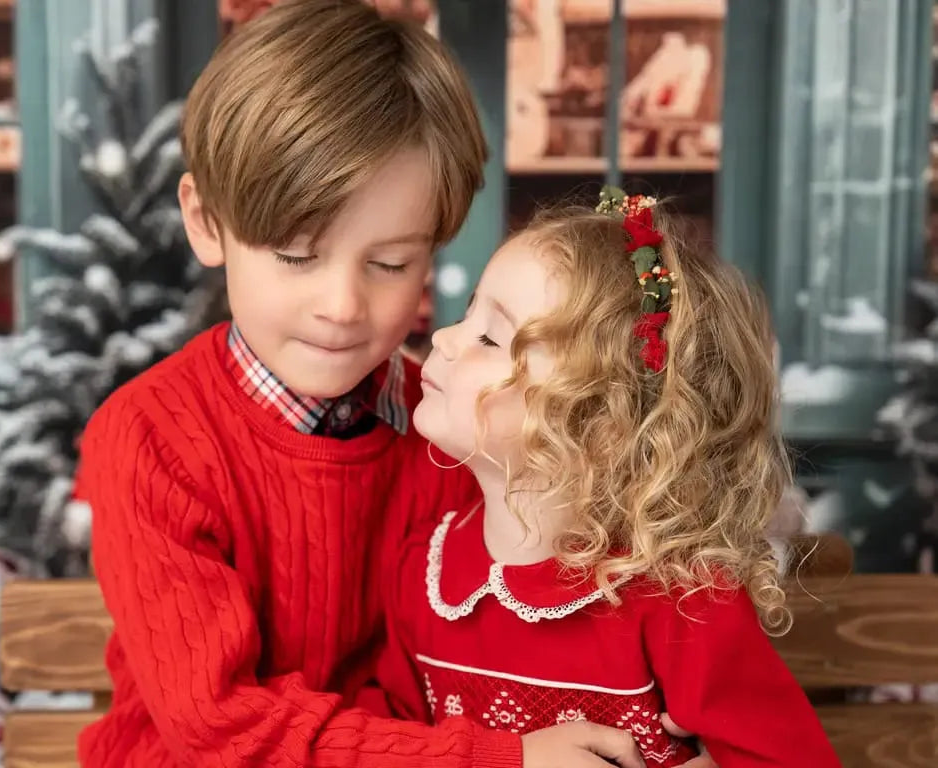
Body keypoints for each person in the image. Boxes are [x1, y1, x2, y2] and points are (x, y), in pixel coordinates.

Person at [75, 3, 708, 767]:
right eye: (297, 256)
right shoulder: (151, 438)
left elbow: (540, 631)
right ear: (207, 223)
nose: (342, 307)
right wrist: (501, 760)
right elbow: (219, 729)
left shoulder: (453, 422)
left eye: (388, 264)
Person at [374, 190, 843, 767]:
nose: (444, 339)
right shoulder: (423, 570)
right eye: (467, 316)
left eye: (491, 339)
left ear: (603, 426)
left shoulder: (686, 602)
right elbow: (393, 743)